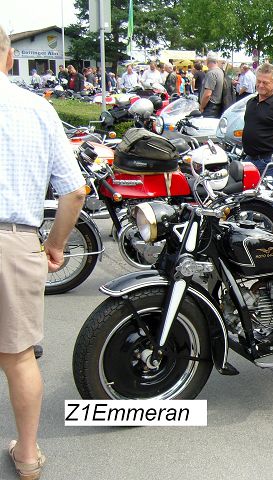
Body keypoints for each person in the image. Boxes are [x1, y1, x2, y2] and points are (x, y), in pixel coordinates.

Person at [0, 25, 86, 480]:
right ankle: (28, 455)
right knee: (17, 356)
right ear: (9, 58)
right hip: (14, 241)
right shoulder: (37, 109)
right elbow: (74, 191)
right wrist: (54, 246)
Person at [200, 54, 224, 118]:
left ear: (207, 61)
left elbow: (207, 94)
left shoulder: (211, 73)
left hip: (210, 107)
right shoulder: (220, 72)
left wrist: (201, 107)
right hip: (217, 106)